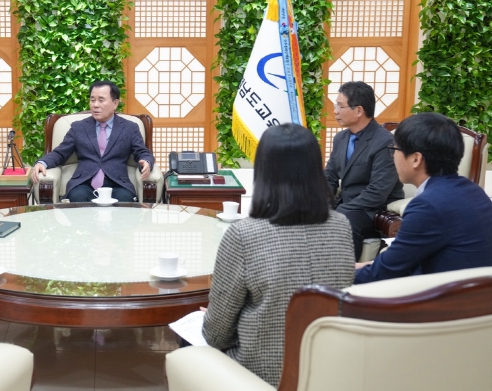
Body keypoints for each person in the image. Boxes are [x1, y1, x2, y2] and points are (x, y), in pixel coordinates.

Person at [202, 123, 354, 387]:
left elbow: (216, 336)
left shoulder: (243, 234)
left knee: (189, 344)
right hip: (329, 371)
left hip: (261, 375)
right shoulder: (341, 225)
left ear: (263, 172)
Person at [355, 113, 492, 284]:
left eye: (394, 150)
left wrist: (331, 276)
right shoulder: (472, 190)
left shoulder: (428, 205)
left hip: (447, 297)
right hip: (475, 294)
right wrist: (362, 266)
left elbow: (383, 273)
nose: (392, 157)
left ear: (416, 159)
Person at [31, 80, 155, 202]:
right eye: (92, 100)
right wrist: (43, 162)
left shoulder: (129, 128)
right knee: (77, 196)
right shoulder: (78, 127)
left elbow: (142, 152)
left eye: (101, 100)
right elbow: (60, 153)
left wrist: (146, 161)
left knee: (125, 199)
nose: (95, 105)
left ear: (115, 103)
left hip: (117, 183)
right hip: (84, 183)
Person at [324, 81, 404, 260]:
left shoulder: (384, 141)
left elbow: (377, 192)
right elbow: (329, 176)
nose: (335, 111)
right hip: (346, 205)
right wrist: (321, 204)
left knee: (342, 221)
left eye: (340, 106)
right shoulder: (340, 138)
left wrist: (338, 211)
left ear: (359, 110)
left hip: (373, 210)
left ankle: (344, 273)